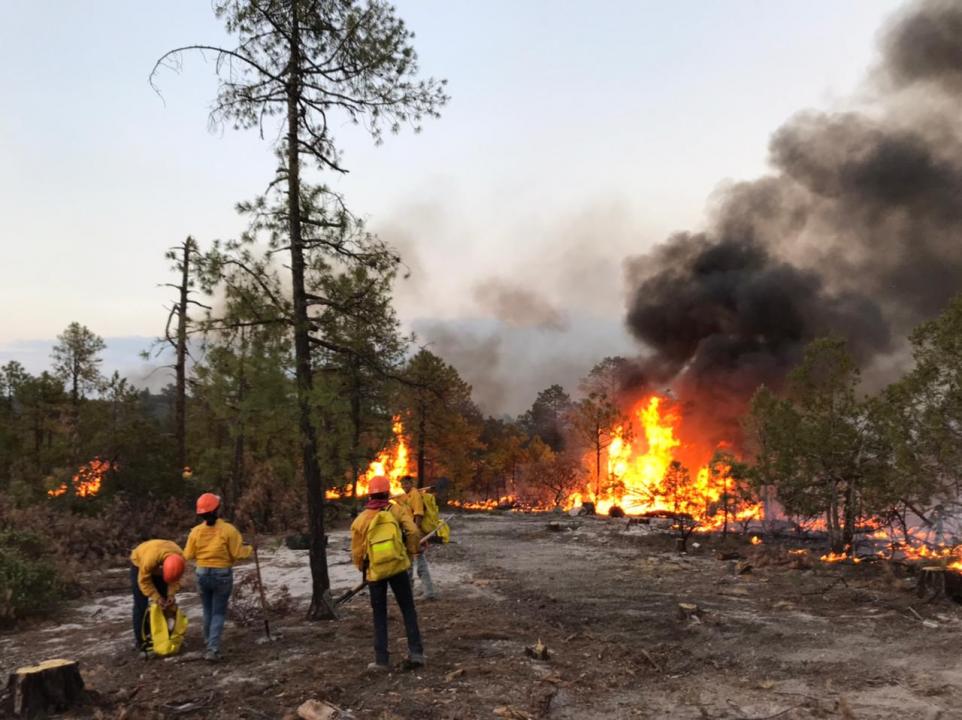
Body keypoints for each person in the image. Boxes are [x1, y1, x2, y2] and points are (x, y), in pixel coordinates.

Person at [350, 475, 425, 672]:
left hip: (376, 574)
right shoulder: (396, 510)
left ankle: (381, 660)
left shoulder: (361, 520)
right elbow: (414, 532)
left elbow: (357, 552)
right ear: (387, 492)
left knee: (379, 615)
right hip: (398, 567)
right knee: (408, 609)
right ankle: (416, 653)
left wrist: (364, 569)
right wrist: (409, 553)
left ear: (370, 494)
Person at [183, 492, 253, 661]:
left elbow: (188, 554)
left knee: (208, 611)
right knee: (218, 613)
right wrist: (250, 548)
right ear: (217, 510)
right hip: (222, 575)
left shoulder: (196, 532)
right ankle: (213, 649)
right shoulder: (229, 530)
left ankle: (209, 642)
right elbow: (238, 553)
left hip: (202, 574)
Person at [130, 539, 185, 651]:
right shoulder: (149, 560)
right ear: (161, 568)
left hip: (160, 560)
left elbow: (175, 579)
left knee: (165, 603)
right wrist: (156, 597)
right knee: (141, 605)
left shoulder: (180, 559)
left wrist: (170, 595)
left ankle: (166, 636)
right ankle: (141, 641)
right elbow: (144, 582)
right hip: (139, 563)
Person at [399, 475, 437, 599]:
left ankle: (428, 592)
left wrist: (416, 533)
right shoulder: (406, 495)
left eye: (406, 484)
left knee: (418, 561)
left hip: (415, 533)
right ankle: (410, 591)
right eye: (402, 484)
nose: (404, 486)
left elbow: (418, 514)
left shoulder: (415, 494)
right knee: (409, 561)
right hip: (410, 533)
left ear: (412, 483)